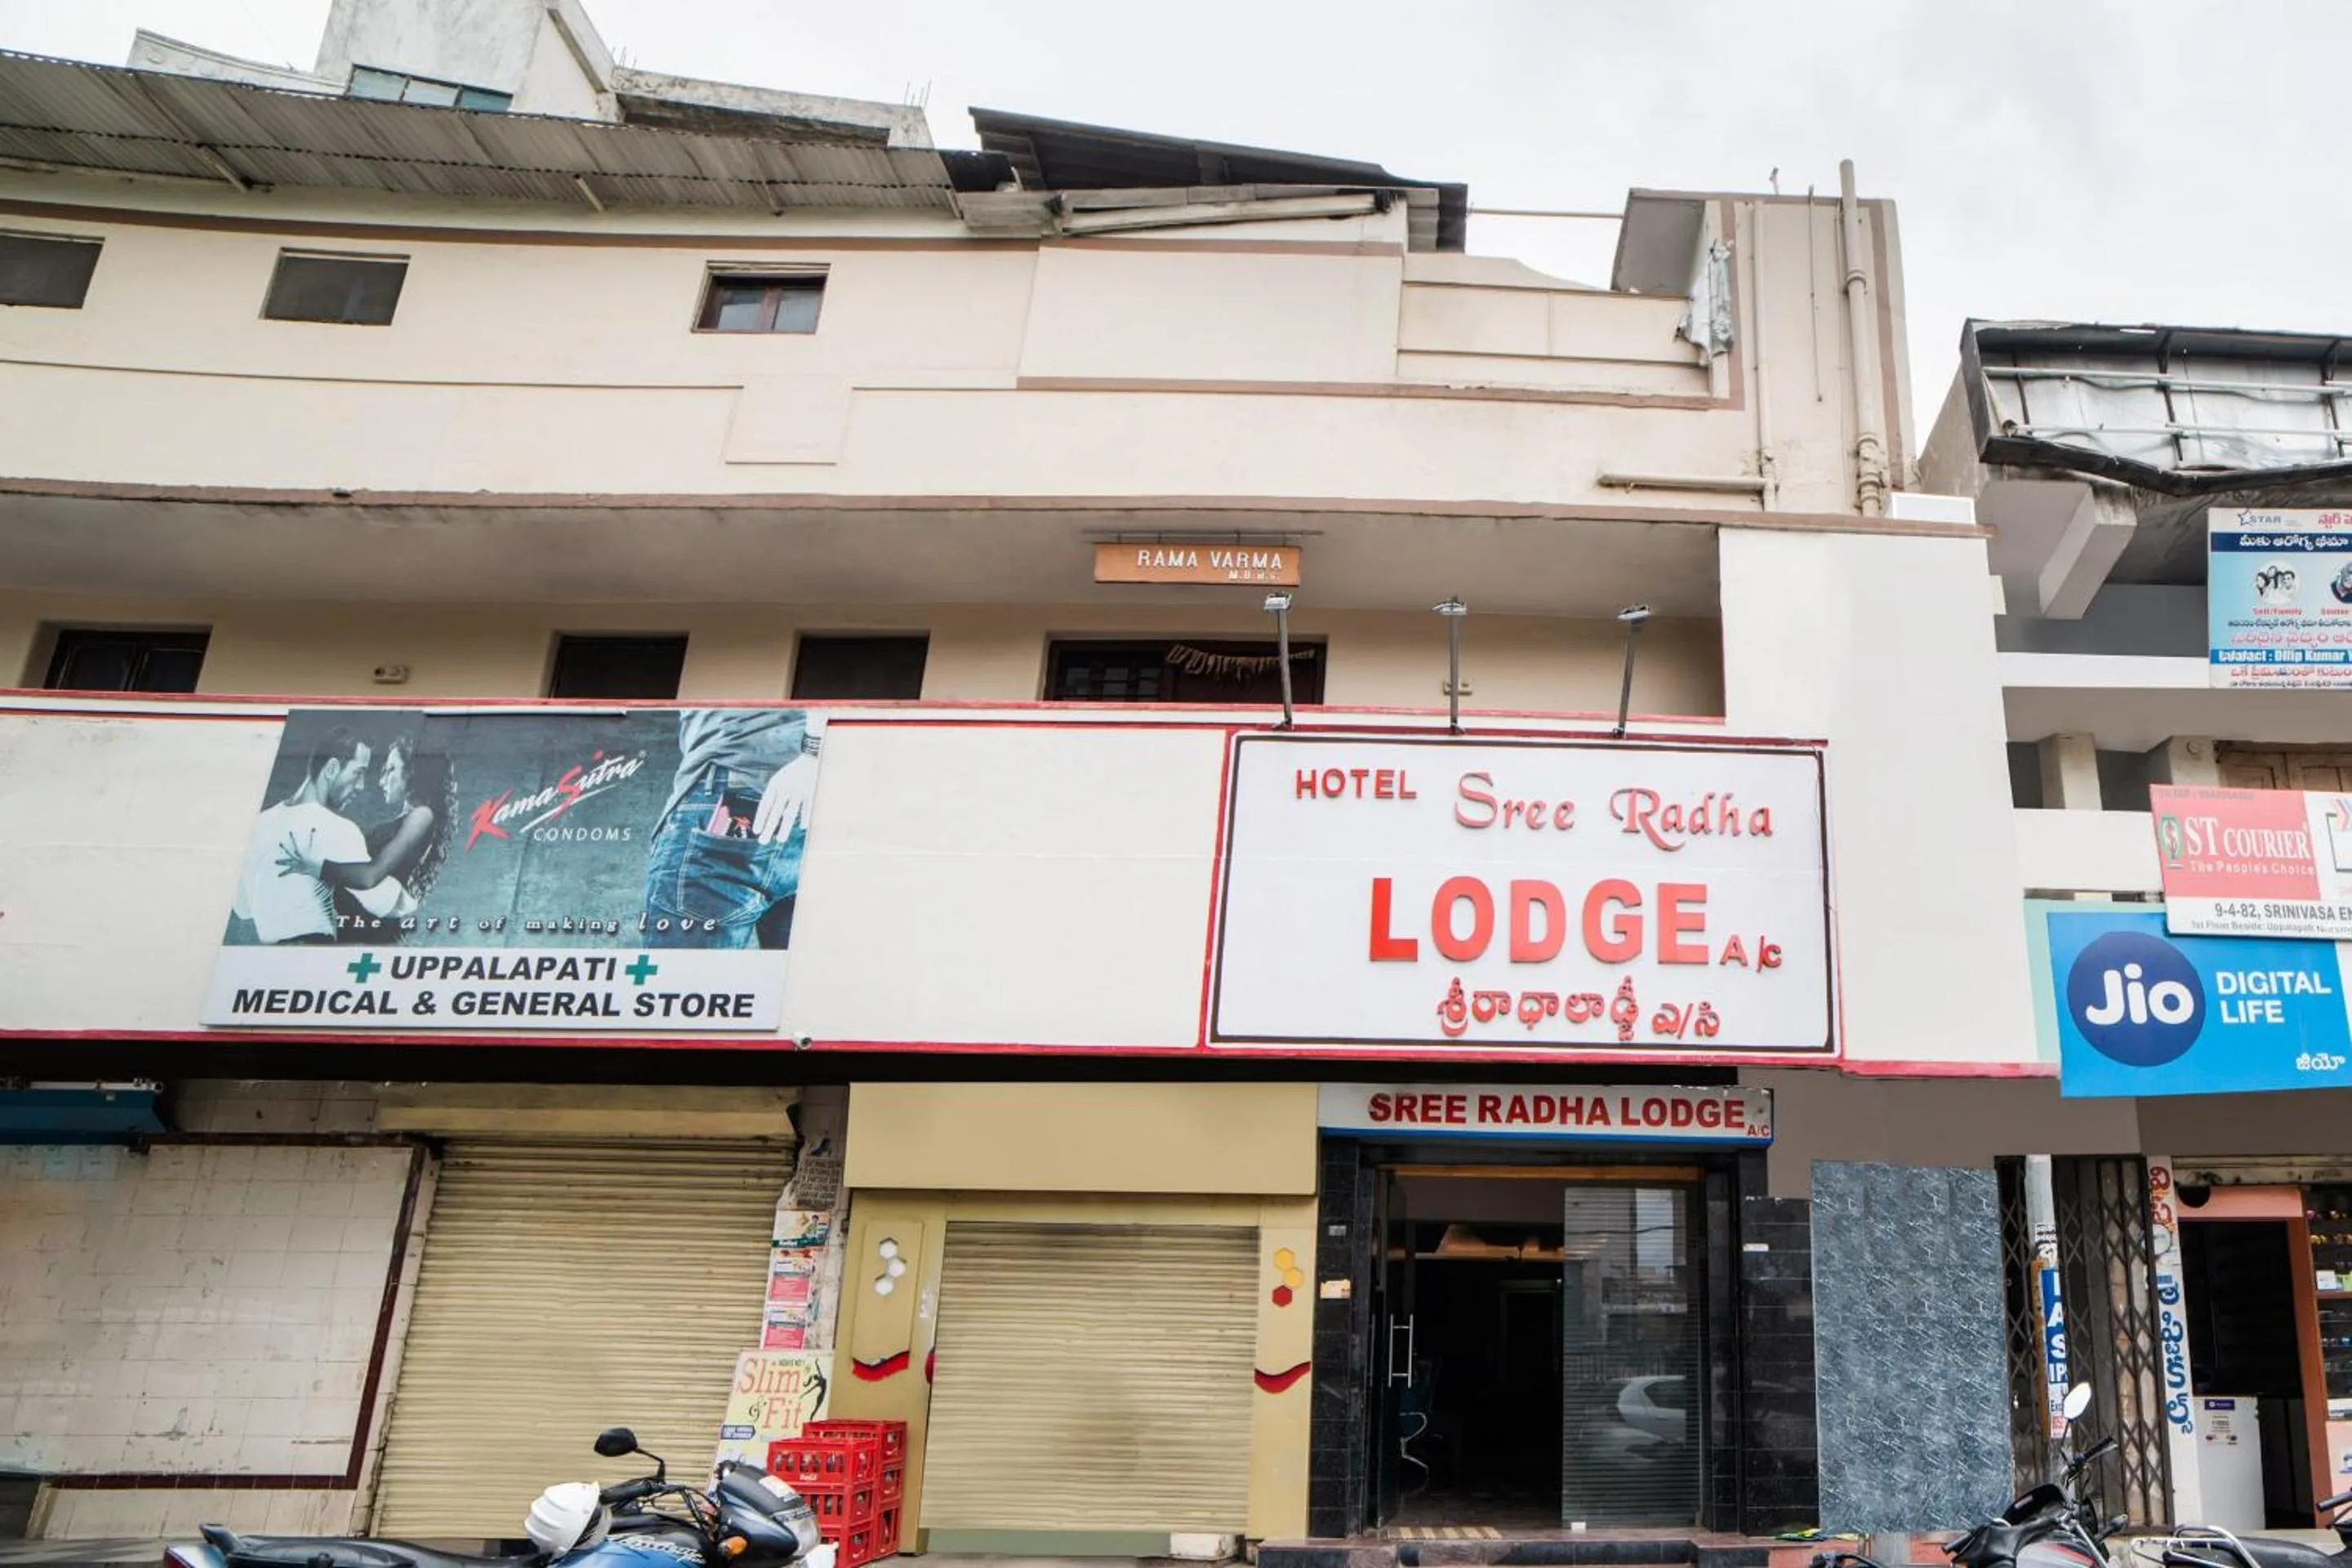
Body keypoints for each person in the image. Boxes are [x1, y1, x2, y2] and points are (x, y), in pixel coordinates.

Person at [643, 710, 820, 949]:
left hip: (738, 782)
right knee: (806, 983)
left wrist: (813, 751)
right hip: (819, 803)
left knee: (683, 980)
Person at [229, 726, 405, 944]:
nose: (360, 786)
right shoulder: (334, 827)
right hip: (314, 956)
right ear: (331, 768)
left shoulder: (259, 823)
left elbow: (244, 908)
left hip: (269, 963)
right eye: (358, 773)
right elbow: (384, 902)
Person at [274, 735, 452, 932]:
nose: (381, 781)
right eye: (383, 771)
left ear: (413, 773)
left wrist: (315, 868)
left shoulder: (423, 815)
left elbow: (370, 876)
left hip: (378, 929)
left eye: (391, 769)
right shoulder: (408, 818)